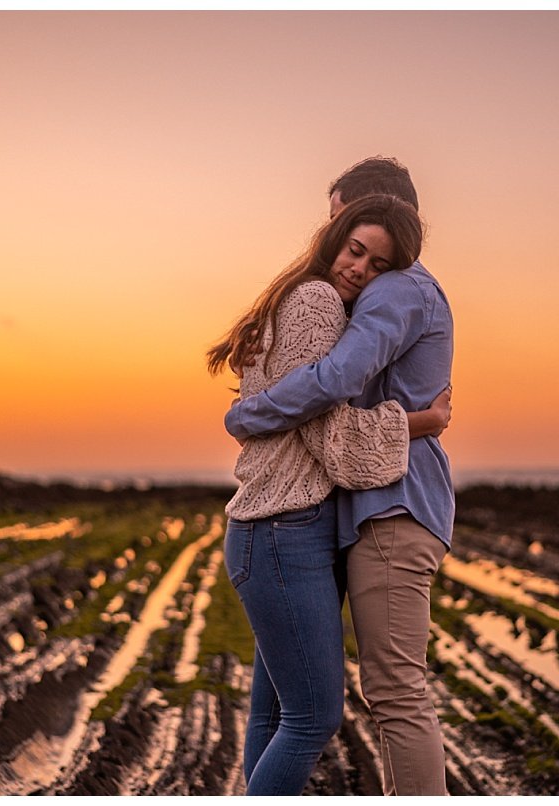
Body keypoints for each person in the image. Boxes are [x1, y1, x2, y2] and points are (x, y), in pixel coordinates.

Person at [206, 193, 451, 796]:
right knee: (313, 718)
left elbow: (318, 421)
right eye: (355, 249)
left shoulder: (301, 298)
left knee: (276, 715)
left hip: (272, 530)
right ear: (334, 234)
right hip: (284, 533)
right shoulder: (316, 304)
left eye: (374, 265)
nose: (359, 269)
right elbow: (333, 438)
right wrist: (420, 423)